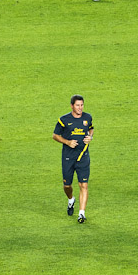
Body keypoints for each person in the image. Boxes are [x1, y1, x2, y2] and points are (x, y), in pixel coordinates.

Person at [52, 95, 94, 223]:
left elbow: (91, 129)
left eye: (81, 105)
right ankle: (71, 199)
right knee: (67, 185)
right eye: (77, 105)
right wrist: (67, 142)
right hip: (68, 157)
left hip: (83, 156)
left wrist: (90, 137)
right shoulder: (64, 120)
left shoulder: (88, 118)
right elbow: (55, 135)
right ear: (72, 106)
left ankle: (81, 213)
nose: (80, 108)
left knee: (84, 185)